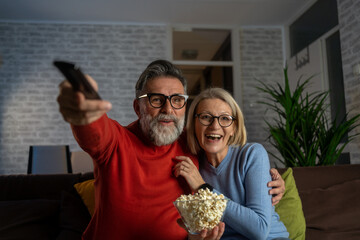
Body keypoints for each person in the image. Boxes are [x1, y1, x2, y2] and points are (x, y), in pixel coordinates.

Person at [57, 59, 285, 240]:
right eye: (156, 99)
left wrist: (272, 178)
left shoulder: (193, 143)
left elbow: (228, 152)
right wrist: (82, 112)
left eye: (177, 100)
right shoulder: (116, 141)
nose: (168, 108)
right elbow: (95, 130)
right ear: (138, 107)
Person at [173, 87, 289, 239]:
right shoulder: (192, 167)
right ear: (194, 125)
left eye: (225, 118)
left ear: (234, 128)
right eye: (206, 117)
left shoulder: (252, 154)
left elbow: (260, 231)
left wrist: (205, 189)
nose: (215, 126)